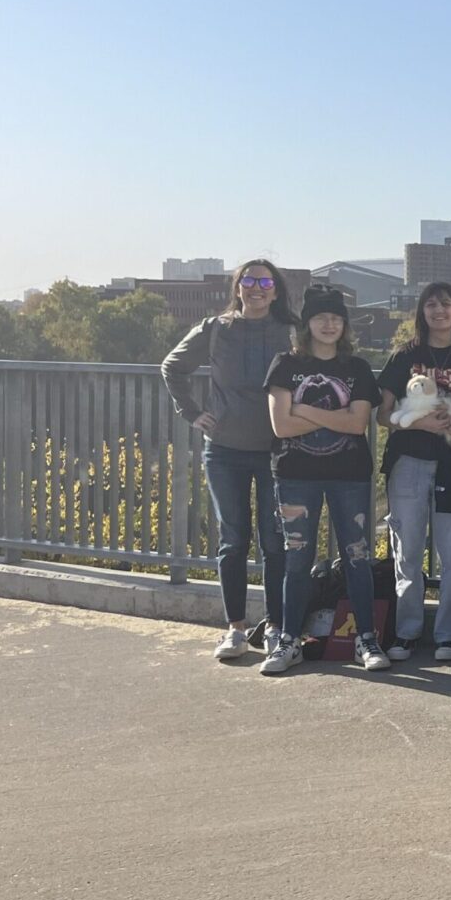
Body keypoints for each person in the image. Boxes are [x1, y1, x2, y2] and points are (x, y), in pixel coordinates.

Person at [161, 259, 297, 663]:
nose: (257, 288)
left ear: (276, 290)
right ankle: (236, 629)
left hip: (278, 451)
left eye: (265, 281)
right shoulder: (216, 329)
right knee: (233, 541)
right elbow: (172, 366)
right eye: (249, 281)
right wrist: (191, 412)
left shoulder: (290, 330)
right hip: (223, 451)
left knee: (276, 543)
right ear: (238, 288)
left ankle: (275, 628)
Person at [261, 285, 386, 675]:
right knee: (296, 560)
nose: (329, 324)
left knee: (358, 558)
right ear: (307, 323)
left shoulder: (358, 369)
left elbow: (357, 423)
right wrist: (332, 415)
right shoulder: (285, 364)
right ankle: (289, 639)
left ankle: (366, 637)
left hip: (350, 475)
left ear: (345, 325)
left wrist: (304, 408)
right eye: (321, 317)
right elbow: (281, 426)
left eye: (336, 318)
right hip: (296, 476)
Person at [378, 283, 451, 665]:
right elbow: (383, 415)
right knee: (407, 550)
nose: (439, 310)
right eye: (431, 304)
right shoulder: (404, 356)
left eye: (446, 304)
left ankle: (450, 634)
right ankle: (406, 632)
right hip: (408, 462)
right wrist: (420, 426)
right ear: (421, 313)